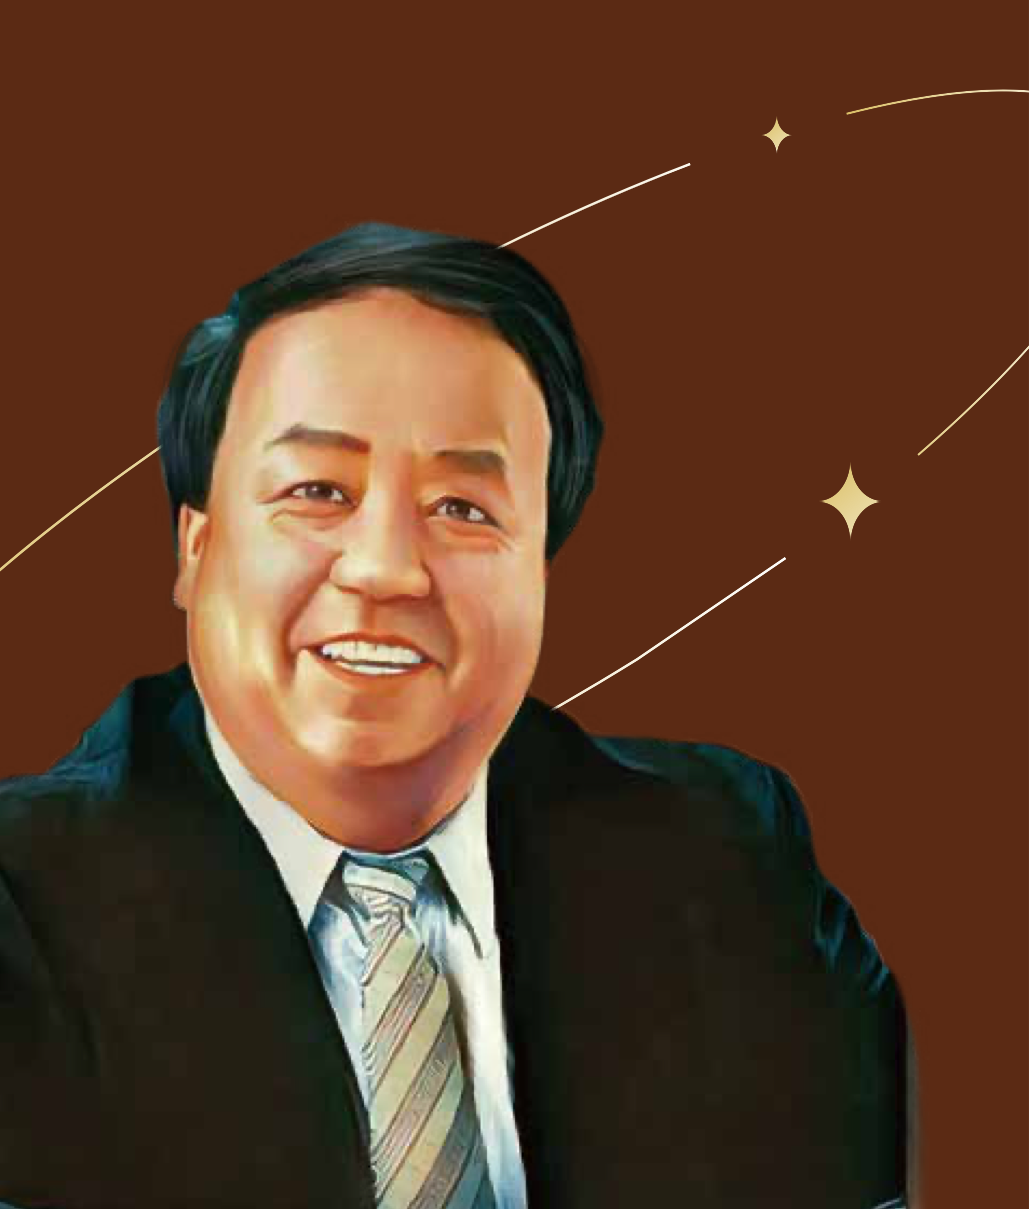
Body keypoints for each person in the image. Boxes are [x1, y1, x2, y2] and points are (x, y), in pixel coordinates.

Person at [0, 224, 908, 1209]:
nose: (386, 569)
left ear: (541, 567)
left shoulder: (726, 857)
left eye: (463, 508)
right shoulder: (25, 911)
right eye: (317, 490)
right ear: (195, 548)